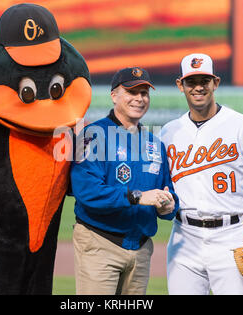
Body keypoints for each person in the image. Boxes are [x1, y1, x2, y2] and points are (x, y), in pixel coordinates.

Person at [161, 53, 243, 295]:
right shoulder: (169, 132)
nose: (198, 87)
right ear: (181, 85)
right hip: (183, 237)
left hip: (230, 236)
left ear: (215, 83)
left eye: (204, 80)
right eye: (191, 81)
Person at [70, 67, 179, 295]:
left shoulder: (154, 144)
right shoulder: (93, 135)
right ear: (114, 96)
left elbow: (168, 193)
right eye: (131, 92)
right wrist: (137, 197)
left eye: (144, 93)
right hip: (101, 243)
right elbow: (87, 191)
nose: (139, 99)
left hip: (140, 250)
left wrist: (169, 205)